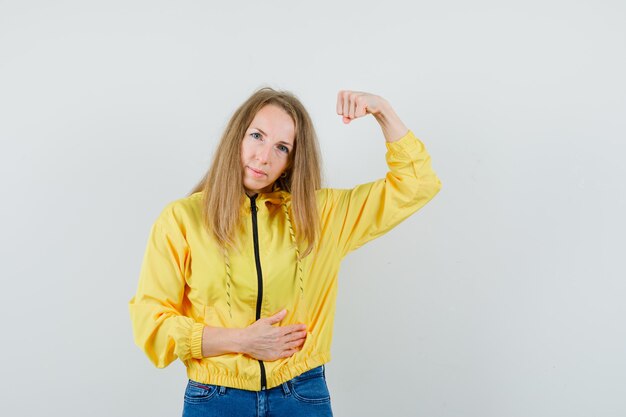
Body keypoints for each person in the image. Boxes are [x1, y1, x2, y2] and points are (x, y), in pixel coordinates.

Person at [129, 87, 442, 417]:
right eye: (256, 136)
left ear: (292, 162)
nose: (264, 157)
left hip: (301, 394)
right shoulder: (182, 219)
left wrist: (382, 111)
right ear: (236, 136)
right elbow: (151, 322)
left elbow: (417, 184)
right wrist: (241, 341)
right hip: (215, 398)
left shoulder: (321, 215)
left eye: (282, 147)